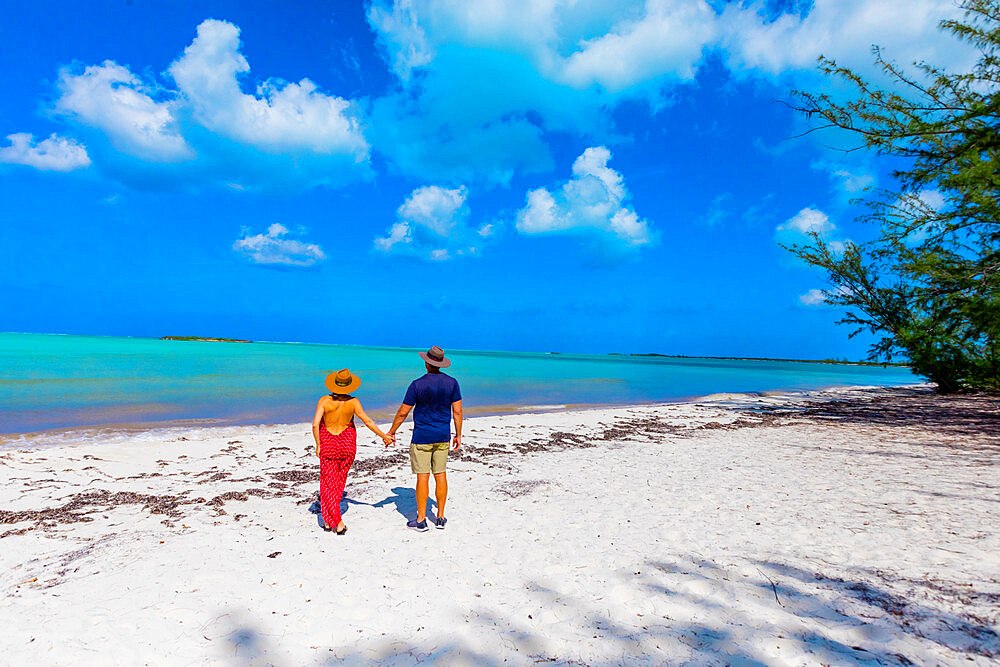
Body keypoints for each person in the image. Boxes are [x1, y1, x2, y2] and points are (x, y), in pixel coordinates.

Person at [386, 346, 463, 532]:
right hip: (442, 436)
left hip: (421, 437)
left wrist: (391, 432)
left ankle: (421, 520)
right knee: (441, 474)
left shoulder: (416, 384)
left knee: (423, 477)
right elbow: (458, 411)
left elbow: (403, 412)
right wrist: (458, 434)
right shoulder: (452, 383)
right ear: (440, 364)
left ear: (427, 362)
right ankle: (441, 517)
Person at [312, 368, 392, 534]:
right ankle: (328, 521)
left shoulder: (324, 401)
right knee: (339, 482)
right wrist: (383, 435)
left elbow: (315, 425)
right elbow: (368, 421)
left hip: (328, 444)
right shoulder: (354, 402)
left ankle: (337, 522)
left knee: (327, 482)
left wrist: (318, 444)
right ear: (349, 386)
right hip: (347, 445)